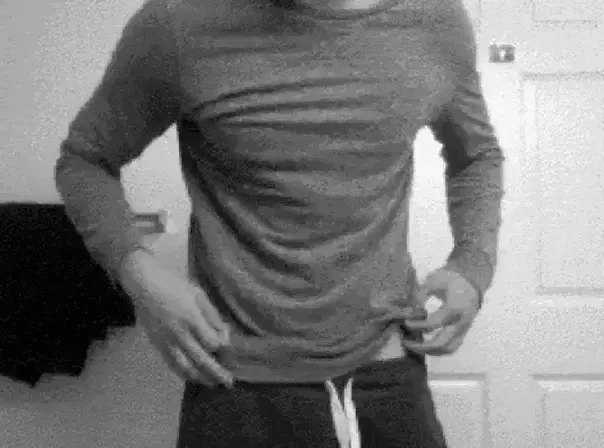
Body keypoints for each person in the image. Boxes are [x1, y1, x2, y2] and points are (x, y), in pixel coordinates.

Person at [54, 0, 504, 446]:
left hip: (387, 364)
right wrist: (141, 276)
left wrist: (472, 265)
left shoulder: (435, 21)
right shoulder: (178, 23)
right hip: (237, 379)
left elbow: (475, 155)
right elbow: (86, 159)